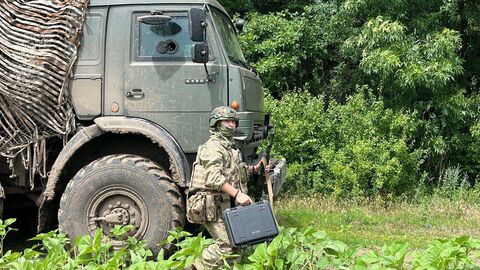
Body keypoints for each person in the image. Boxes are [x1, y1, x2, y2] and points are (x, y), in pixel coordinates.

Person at [186, 106, 264, 269]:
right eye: (227, 121)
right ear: (216, 124)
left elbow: (232, 172)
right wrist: (238, 194)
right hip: (213, 205)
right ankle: (194, 267)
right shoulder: (213, 147)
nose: (231, 125)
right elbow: (213, 178)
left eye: (233, 122)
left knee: (238, 244)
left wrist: (252, 170)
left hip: (227, 205)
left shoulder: (230, 147)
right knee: (228, 246)